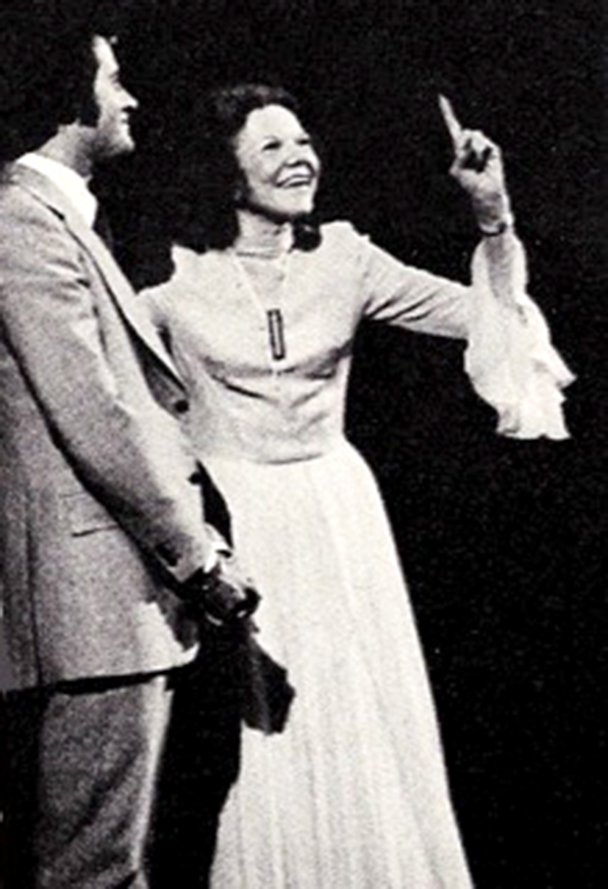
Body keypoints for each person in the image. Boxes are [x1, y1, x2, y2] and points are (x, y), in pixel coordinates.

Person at [142, 84, 573, 887]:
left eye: (305, 141)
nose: (299, 158)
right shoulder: (170, 274)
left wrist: (493, 216)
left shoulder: (345, 256)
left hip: (337, 514)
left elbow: (490, 316)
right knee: (256, 739)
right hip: (236, 518)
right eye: (273, 146)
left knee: (355, 714)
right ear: (224, 168)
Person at [0, 9, 260, 888]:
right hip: (90, 608)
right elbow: (97, 415)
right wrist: (198, 558)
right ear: (69, 95)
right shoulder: (25, 221)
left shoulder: (58, 217)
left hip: (109, 603)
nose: (131, 99)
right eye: (114, 80)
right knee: (93, 870)